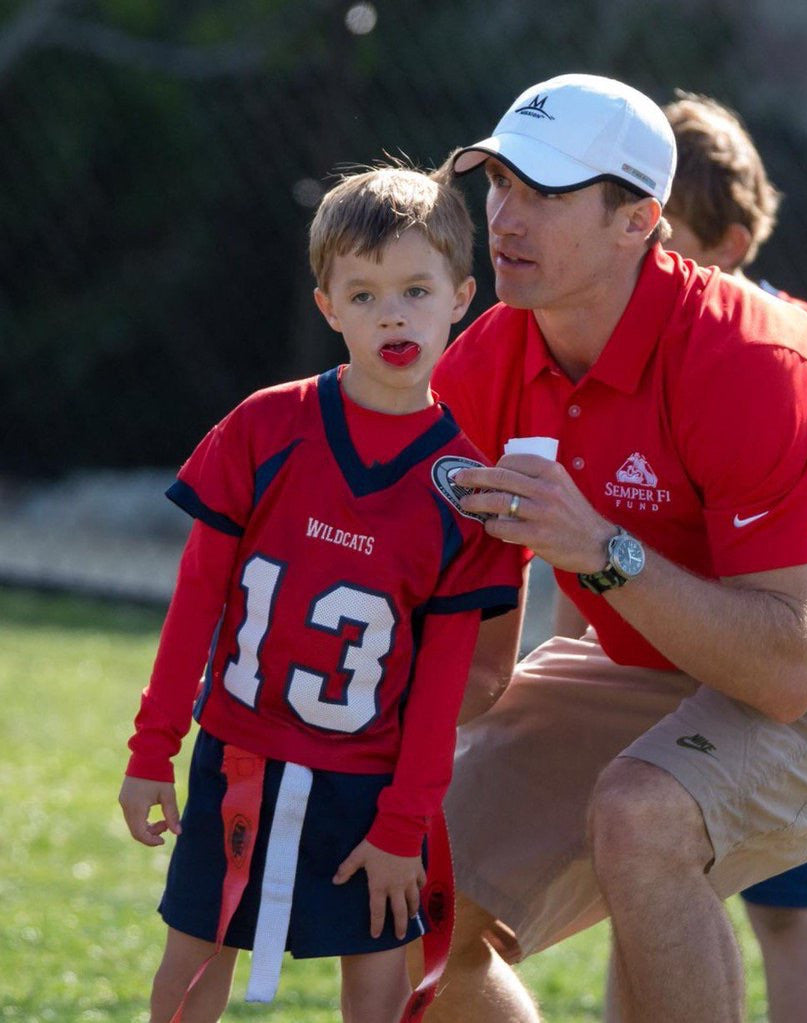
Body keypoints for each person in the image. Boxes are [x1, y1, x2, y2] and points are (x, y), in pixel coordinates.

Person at [420, 73, 807, 1023]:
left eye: (547, 192)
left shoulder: (749, 358)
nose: (507, 217)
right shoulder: (486, 359)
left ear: (640, 220)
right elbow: (470, 640)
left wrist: (599, 547)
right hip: (678, 640)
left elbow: (782, 670)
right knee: (401, 894)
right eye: (500, 182)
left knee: (643, 817)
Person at [118, 165, 523, 1023]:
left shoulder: (463, 488)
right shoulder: (264, 427)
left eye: (416, 289)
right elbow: (195, 603)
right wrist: (153, 747)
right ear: (328, 306)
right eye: (365, 293)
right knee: (192, 964)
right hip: (239, 755)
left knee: (376, 983)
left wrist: (405, 819)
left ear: (462, 296)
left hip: (366, 782)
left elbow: (444, 680)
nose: (393, 314)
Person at [657, 88, 807, 1023]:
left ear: (731, 247)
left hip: (779, 667)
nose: (646, 263)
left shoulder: (805, 348)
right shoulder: (623, 345)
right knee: (661, 885)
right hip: (673, 651)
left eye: (666, 239)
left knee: (789, 918)